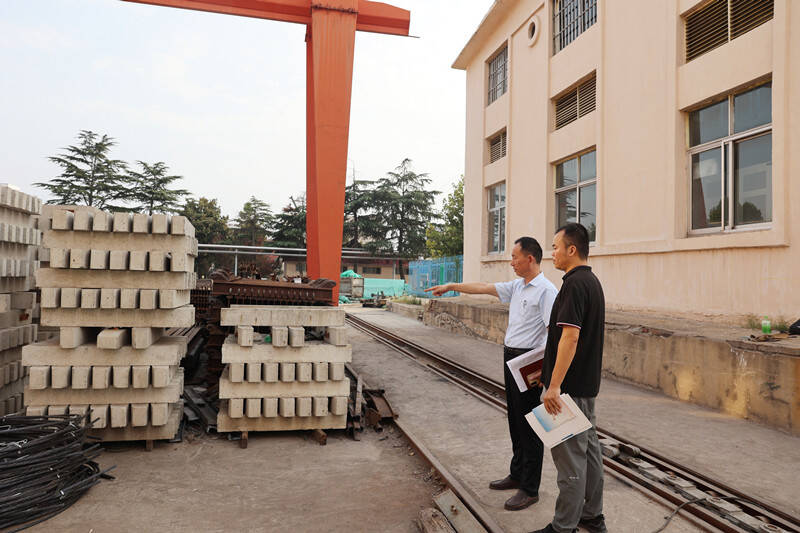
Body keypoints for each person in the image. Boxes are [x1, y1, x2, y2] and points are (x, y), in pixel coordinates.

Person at [426, 237, 557, 511]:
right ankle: (517, 473)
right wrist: (452, 286)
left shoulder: (546, 291)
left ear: (530, 258)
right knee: (515, 420)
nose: (512, 262)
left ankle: (530, 488)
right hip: (512, 358)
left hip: (530, 363)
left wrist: (545, 373)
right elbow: (484, 288)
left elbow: (553, 335)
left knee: (530, 424)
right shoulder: (518, 286)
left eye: (515, 257)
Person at [530, 223, 606, 533]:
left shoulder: (574, 285)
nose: (552, 253)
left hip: (568, 390)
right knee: (589, 454)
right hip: (584, 387)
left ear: (571, 249)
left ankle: (563, 527)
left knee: (570, 463)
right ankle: (592, 516)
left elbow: (570, 338)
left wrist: (554, 385)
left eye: (555, 247)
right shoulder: (592, 282)